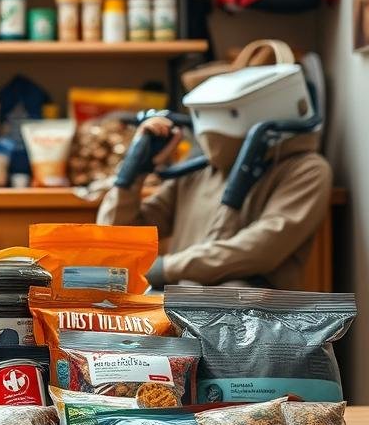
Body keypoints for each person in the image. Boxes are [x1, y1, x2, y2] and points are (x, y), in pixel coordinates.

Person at [97, 64, 331, 290]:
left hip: (249, 320)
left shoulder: (305, 171)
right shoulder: (200, 171)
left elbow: (261, 250)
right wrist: (133, 174)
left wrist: (166, 268)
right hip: (181, 312)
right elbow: (118, 241)